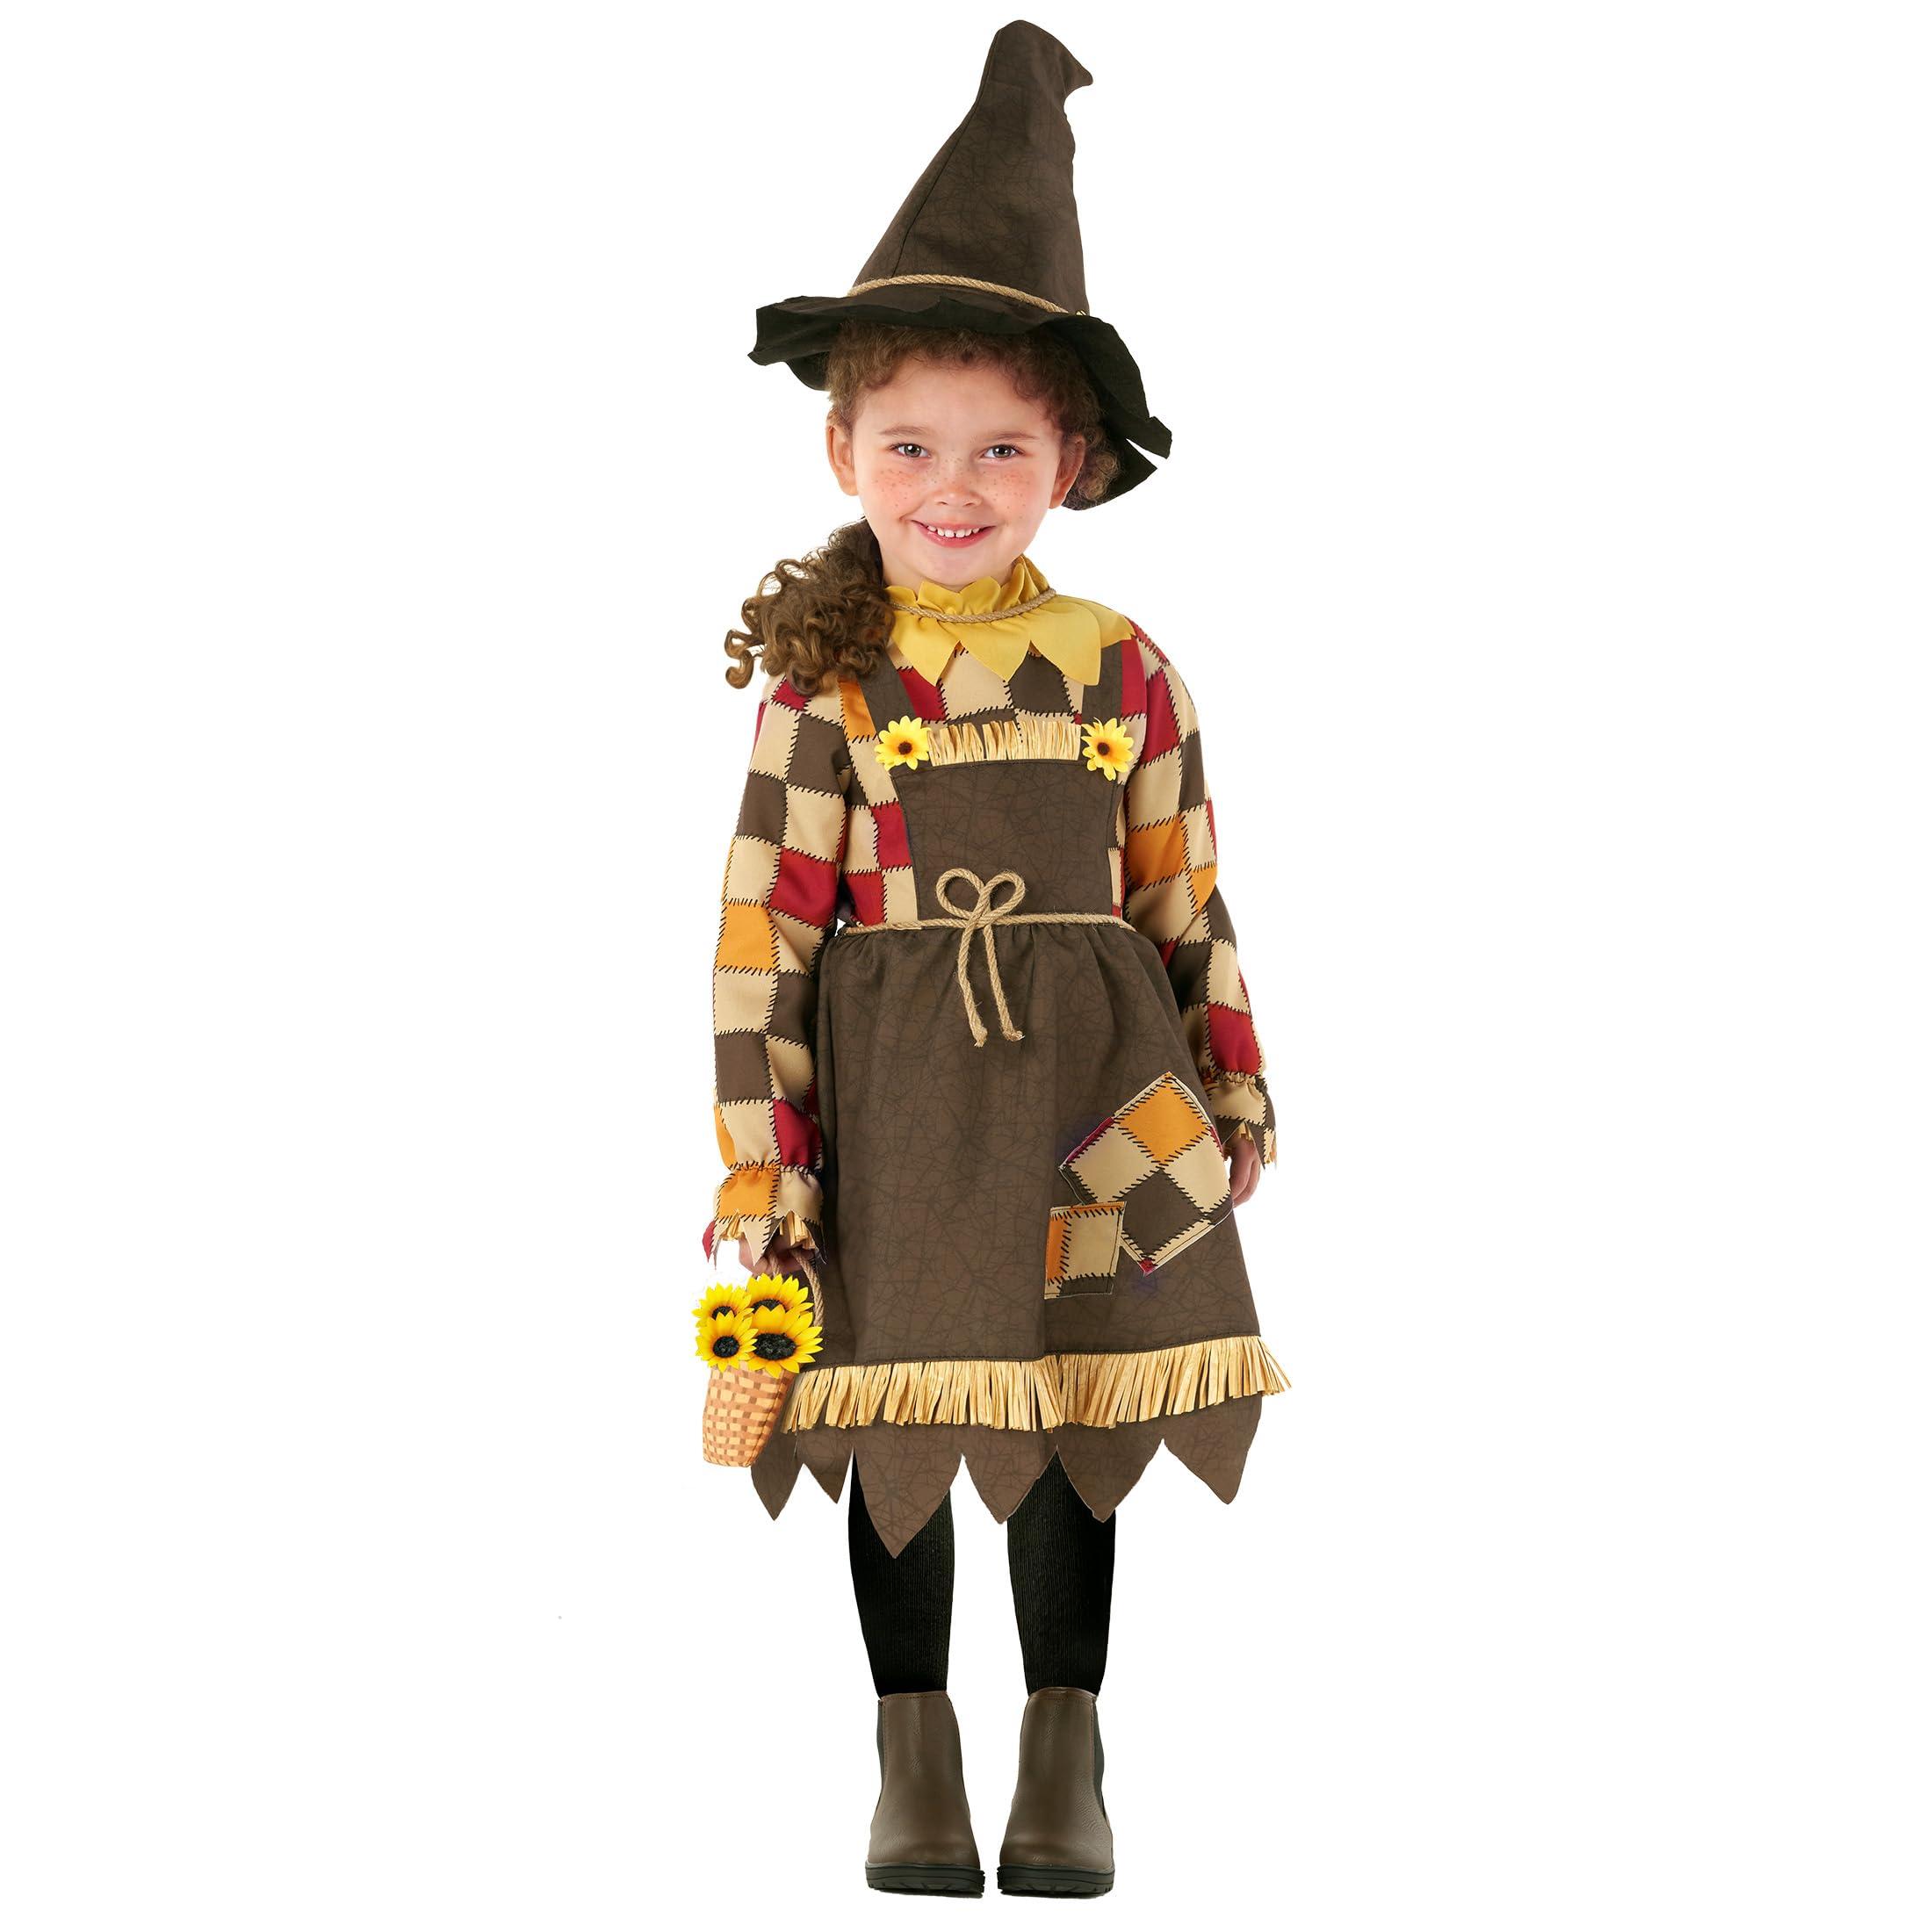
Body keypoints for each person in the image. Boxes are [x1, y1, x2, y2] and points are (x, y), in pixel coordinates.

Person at [697, 21, 1289, 1900]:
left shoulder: (1122, 662)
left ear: (1071, 464)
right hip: (893, 1104)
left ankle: (1062, 1746)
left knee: (1069, 1411)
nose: (951, 485)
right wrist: (761, 1159)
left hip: (1094, 1092)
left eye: (1001, 449)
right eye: (909, 446)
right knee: (894, 1410)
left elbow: (1183, 888)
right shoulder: (828, 684)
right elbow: (763, 932)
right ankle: (910, 1755)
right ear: (842, 448)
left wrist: (1234, 1083)